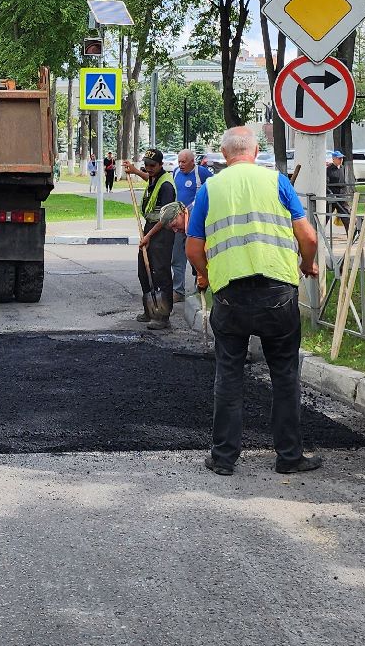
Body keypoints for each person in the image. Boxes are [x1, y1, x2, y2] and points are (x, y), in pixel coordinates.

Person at [185, 126, 323, 477]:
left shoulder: (210, 188)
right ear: (256, 151)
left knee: (228, 374)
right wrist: (307, 264)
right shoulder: (277, 182)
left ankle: (223, 458)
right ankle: (289, 457)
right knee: (285, 375)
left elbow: (193, 246)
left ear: (224, 152)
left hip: (230, 295)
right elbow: (307, 236)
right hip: (278, 295)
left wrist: (203, 274)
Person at [122, 149, 178, 330]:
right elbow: (149, 179)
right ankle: (150, 310)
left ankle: (163, 316)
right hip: (149, 229)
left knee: (160, 273)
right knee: (143, 271)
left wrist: (147, 236)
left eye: (152, 166)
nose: (148, 168)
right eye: (146, 165)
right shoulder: (155, 177)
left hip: (162, 231)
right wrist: (135, 171)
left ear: (161, 165)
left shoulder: (167, 186)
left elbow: (165, 218)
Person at [168, 149, 213, 299]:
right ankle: (178, 290)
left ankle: (200, 287)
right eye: (179, 161)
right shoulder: (175, 173)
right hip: (179, 224)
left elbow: (212, 190)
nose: (180, 165)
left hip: (196, 224)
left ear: (192, 161)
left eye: (184, 162)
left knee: (197, 256)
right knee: (177, 257)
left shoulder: (202, 173)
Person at [325, 150, 349, 229]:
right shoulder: (328, 169)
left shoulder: (343, 168)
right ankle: (318, 234)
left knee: (346, 217)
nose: (341, 160)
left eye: (341, 158)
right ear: (333, 159)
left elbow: (344, 182)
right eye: (339, 158)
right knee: (325, 217)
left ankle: (350, 236)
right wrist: (330, 194)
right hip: (332, 197)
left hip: (342, 197)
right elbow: (326, 184)